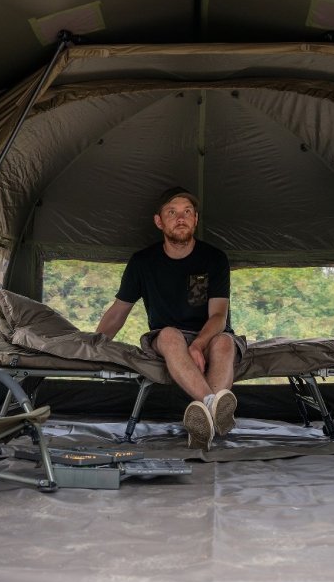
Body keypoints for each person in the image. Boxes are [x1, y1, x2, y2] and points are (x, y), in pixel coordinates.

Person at [96, 187, 247, 449]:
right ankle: (213, 406)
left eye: (187, 212)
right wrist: (92, 345)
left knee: (224, 341)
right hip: (168, 339)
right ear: (159, 221)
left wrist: (198, 344)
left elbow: (218, 316)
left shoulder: (215, 258)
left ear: (195, 219)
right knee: (168, 334)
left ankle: (202, 427)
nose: (181, 218)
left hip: (209, 335)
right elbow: (118, 312)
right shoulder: (142, 262)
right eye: (172, 212)